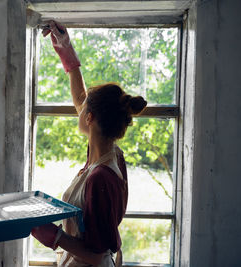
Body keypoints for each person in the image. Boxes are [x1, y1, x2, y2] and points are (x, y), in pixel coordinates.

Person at [31, 21, 147, 267]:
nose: (79, 106)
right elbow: (82, 98)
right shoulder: (111, 154)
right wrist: (66, 52)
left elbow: (98, 254)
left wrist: (55, 236)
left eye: (83, 108)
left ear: (90, 118)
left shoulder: (100, 177)